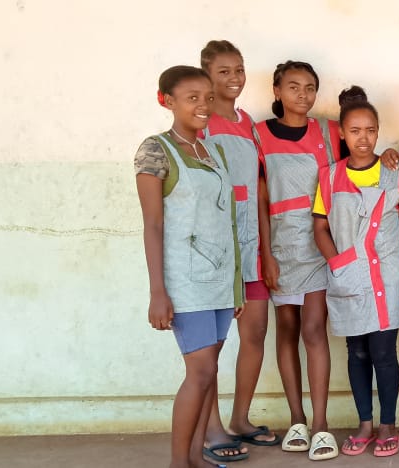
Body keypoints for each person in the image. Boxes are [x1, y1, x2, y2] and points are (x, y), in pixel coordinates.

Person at [135, 65, 243, 468]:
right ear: (167, 100)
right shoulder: (156, 150)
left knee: (210, 372)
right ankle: (179, 463)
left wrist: (234, 287)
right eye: (191, 97)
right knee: (199, 372)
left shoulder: (211, 150)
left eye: (207, 97)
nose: (202, 105)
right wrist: (158, 292)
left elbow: (223, 219)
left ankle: (196, 458)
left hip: (217, 279)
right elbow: (153, 224)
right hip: (185, 282)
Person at [311, 85, 399, 459]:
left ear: (378, 130)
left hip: (388, 274)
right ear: (341, 133)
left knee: (384, 352)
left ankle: (388, 423)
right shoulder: (329, 176)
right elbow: (320, 227)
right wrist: (336, 262)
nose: (363, 138)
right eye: (354, 131)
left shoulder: (395, 172)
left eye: (370, 130)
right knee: (356, 351)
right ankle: (365, 423)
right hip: (348, 276)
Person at [198, 40, 281, 463]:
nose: (234, 78)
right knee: (210, 344)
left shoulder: (249, 123)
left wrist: (265, 250)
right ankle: (210, 428)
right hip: (216, 248)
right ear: (207, 74)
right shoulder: (202, 123)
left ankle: (241, 419)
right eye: (224, 71)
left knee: (255, 334)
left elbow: (261, 190)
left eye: (239, 69)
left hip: (251, 245)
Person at [254, 60, 339, 461]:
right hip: (280, 249)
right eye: (293, 87)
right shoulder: (259, 136)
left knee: (314, 329)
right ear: (277, 91)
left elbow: (358, 161)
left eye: (309, 87)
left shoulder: (328, 131)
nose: (302, 95)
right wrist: (266, 254)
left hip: (320, 242)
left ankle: (322, 425)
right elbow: (261, 199)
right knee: (285, 328)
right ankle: (297, 420)